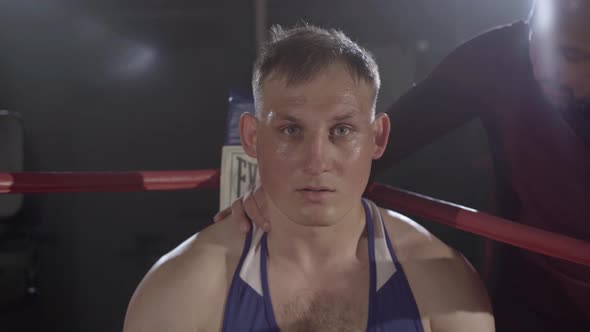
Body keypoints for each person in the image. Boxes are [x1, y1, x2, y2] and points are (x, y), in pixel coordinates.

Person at [219, 1, 590, 331]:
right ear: (531, 26)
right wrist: (277, 195)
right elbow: (374, 144)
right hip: (538, 299)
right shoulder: (495, 59)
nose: (586, 80)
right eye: (571, 55)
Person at [123, 25, 494, 331]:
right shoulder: (182, 290)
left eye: (342, 130)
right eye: (290, 131)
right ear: (253, 137)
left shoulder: (441, 283)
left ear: (377, 137)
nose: (317, 161)